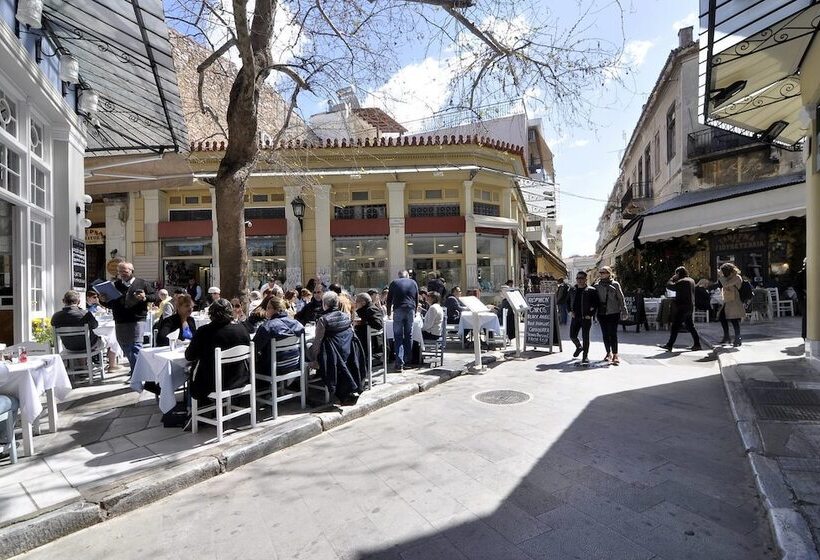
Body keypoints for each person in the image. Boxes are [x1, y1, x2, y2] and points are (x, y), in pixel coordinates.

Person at [185, 299, 251, 402]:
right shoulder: (242, 329)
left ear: (211, 314)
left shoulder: (204, 331)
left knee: (191, 370)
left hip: (212, 383)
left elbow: (189, 356)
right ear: (230, 312)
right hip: (240, 378)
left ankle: (193, 410)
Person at [98, 262, 157, 374]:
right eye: (120, 272)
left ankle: (137, 373)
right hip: (120, 319)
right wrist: (103, 300)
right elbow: (111, 304)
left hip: (137, 318)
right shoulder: (115, 285)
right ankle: (137, 368)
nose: (122, 274)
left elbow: (154, 296)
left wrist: (145, 298)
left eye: (125, 271)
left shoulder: (142, 283)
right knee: (124, 345)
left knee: (135, 345)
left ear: (131, 270)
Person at [308, 291, 365, 404]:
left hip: (331, 357)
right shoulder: (346, 316)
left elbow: (318, 342)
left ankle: (303, 385)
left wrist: (314, 360)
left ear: (325, 304)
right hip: (345, 352)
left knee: (307, 347)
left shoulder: (323, 320)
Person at [52, 290, 119, 372]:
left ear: (63, 301)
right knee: (113, 339)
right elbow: (95, 325)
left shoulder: (56, 316)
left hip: (69, 347)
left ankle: (82, 366)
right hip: (89, 346)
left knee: (80, 340)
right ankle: (112, 366)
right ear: (79, 301)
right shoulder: (84, 314)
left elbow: (53, 325)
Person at [253, 296, 305, 378]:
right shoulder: (298, 324)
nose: (266, 311)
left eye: (267, 308)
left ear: (273, 309)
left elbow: (254, 348)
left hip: (274, 368)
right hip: (294, 364)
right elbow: (303, 348)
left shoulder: (267, 326)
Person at [659, 266, 702, 352]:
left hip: (682, 307)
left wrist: (672, 279)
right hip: (690, 306)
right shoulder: (691, 280)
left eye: (676, 274)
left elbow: (670, 286)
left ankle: (669, 345)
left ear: (678, 273)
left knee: (675, 326)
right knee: (691, 326)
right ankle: (697, 344)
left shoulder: (682, 281)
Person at [385, 270, 419, 371]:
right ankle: (407, 361)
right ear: (407, 276)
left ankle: (399, 363)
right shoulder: (413, 282)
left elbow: (389, 299)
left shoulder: (394, 283)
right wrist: (415, 311)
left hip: (398, 309)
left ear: (399, 276)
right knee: (409, 335)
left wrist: (388, 313)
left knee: (398, 336)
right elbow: (416, 298)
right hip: (410, 309)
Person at [593, 266, 627, 365]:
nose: (601, 274)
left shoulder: (615, 284)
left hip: (613, 312)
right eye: (600, 272)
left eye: (604, 272)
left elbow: (621, 298)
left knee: (613, 333)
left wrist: (624, 310)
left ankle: (615, 354)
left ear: (609, 273)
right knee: (605, 334)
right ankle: (608, 353)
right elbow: (594, 300)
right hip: (601, 313)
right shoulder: (597, 285)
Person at [567, 271, 599, 365]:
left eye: (581, 278)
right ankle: (579, 347)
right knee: (572, 336)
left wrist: (591, 314)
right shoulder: (572, 290)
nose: (579, 280)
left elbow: (596, 304)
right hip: (575, 317)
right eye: (578, 278)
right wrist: (569, 311)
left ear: (586, 279)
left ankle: (585, 357)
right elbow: (567, 302)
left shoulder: (591, 290)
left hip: (586, 318)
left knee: (585, 338)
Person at [717, 262, 744, 347]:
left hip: (735, 301)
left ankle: (737, 338)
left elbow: (725, 284)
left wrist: (721, 276)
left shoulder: (736, 277)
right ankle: (727, 336)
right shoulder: (727, 278)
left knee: (734, 320)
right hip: (728, 301)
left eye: (723, 271)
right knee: (722, 317)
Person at [354, 292, 384, 365]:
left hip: (373, 341)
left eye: (357, 302)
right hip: (368, 338)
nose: (355, 304)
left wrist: (365, 323)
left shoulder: (371, 309)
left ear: (363, 302)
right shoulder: (367, 309)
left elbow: (378, 324)